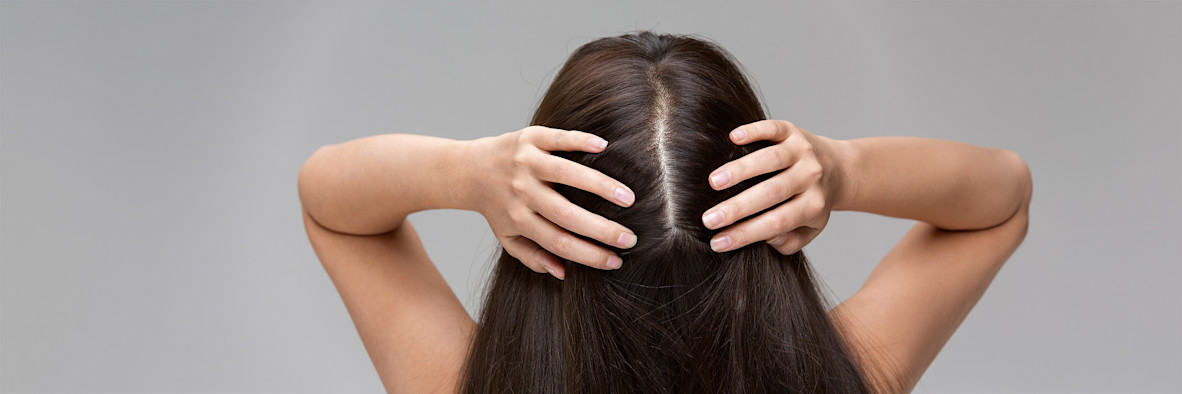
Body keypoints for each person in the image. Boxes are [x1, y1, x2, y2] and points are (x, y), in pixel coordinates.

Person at [298, 31, 1032, 393]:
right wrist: (844, 169)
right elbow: (1001, 199)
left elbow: (328, 200)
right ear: (760, 244)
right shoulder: (842, 379)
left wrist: (468, 172)